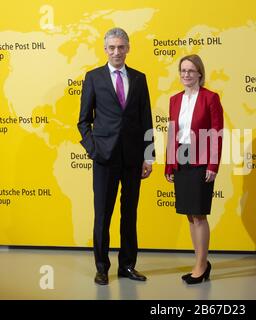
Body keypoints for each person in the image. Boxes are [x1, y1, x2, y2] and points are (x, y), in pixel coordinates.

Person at [77, 27, 155, 285]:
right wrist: (93, 149)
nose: (116, 52)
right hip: (105, 158)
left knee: (129, 214)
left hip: (133, 159)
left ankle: (128, 266)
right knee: (103, 215)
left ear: (128, 48)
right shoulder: (93, 77)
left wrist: (149, 156)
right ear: (105, 49)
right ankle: (102, 267)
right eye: (112, 47)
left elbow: (146, 120)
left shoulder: (139, 78)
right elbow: (83, 121)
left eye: (121, 47)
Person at [165, 54, 224, 284]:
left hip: (202, 160)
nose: (186, 75)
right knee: (190, 215)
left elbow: (217, 133)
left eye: (190, 71)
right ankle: (199, 262)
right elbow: (172, 133)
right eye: (183, 71)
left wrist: (213, 165)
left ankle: (201, 264)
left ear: (200, 73)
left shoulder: (210, 98)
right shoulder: (175, 100)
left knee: (199, 215)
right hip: (181, 159)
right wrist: (170, 164)